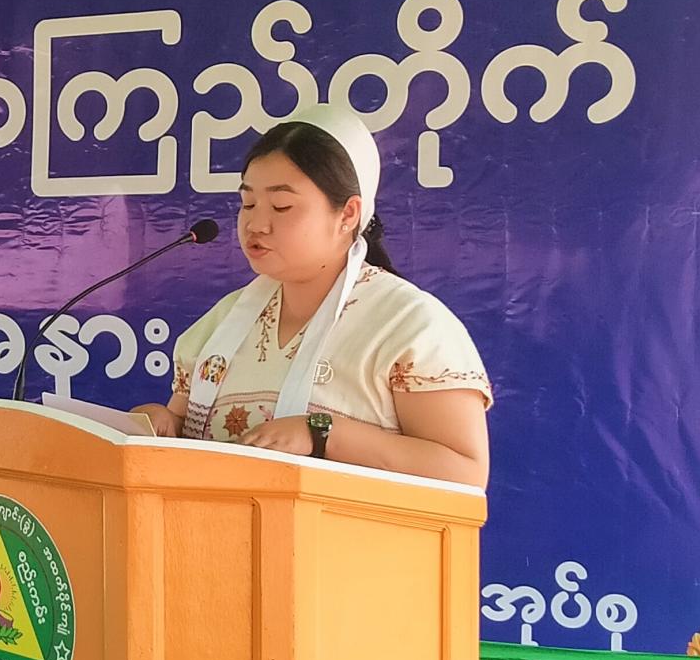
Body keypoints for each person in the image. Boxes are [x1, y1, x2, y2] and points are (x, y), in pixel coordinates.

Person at [132, 108, 491, 487]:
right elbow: (187, 432)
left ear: (348, 214)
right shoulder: (222, 322)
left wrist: (323, 434)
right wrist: (162, 424)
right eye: (248, 203)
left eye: (281, 206)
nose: (256, 224)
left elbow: (465, 473)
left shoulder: (407, 325)